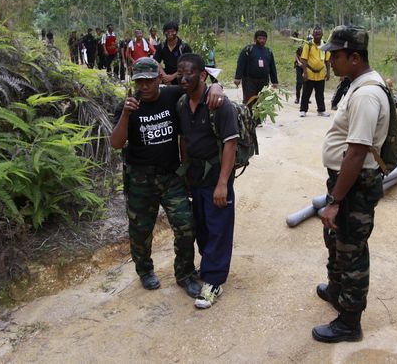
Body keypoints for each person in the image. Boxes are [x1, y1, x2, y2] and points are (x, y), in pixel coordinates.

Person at [110, 57, 224, 299]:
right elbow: (116, 143)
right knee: (140, 230)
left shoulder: (173, 95)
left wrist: (216, 86)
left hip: (171, 176)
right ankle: (145, 271)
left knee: (186, 226)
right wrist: (126, 115)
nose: (144, 86)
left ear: (159, 79)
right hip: (140, 179)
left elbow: (200, 87)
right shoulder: (129, 106)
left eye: (149, 81)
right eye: (139, 82)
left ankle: (185, 274)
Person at [313, 25, 390, 343]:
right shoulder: (357, 85)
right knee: (336, 239)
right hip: (345, 182)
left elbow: (357, 153)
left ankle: (349, 322)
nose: (330, 61)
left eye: (335, 56)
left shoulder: (367, 95)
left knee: (351, 252)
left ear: (355, 57)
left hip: (355, 185)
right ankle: (337, 290)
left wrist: (335, 201)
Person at [177, 53, 239, 309]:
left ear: (203, 75)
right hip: (195, 176)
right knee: (201, 226)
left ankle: (214, 281)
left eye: (189, 74)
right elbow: (183, 139)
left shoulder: (220, 105)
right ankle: (208, 265)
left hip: (216, 177)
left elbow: (230, 144)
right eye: (180, 74)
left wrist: (223, 183)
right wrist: (185, 172)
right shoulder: (182, 103)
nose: (183, 79)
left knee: (218, 227)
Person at [234, 30, 278, 111]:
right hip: (249, 80)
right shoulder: (248, 49)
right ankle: (248, 117)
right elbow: (241, 63)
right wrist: (237, 77)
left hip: (264, 81)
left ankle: (258, 119)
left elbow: (272, 67)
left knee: (261, 101)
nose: (262, 40)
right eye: (260, 38)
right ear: (255, 39)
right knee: (249, 101)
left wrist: (274, 81)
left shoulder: (268, 51)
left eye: (264, 39)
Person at [300, 26, 331, 117]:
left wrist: (328, 72)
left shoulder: (325, 45)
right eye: (316, 34)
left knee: (320, 94)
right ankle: (303, 110)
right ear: (313, 35)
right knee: (306, 93)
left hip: (321, 74)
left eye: (319, 34)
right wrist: (305, 72)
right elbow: (304, 60)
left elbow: (327, 60)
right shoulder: (308, 45)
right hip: (309, 73)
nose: (317, 35)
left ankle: (321, 110)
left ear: (322, 35)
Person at [154, 21, 193, 85]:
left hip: (182, 77)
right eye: (167, 31)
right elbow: (156, 62)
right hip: (166, 77)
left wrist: (172, 77)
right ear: (164, 32)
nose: (170, 34)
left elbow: (189, 64)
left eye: (172, 31)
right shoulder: (161, 46)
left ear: (176, 32)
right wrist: (165, 76)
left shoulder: (184, 46)